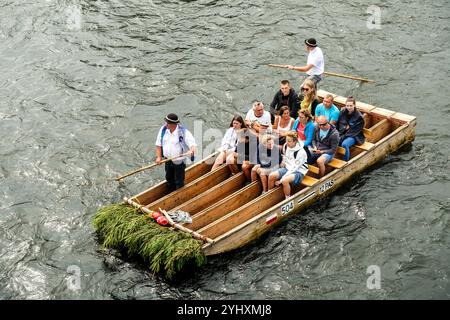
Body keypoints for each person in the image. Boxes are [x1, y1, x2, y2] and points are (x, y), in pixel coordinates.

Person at [155, 113, 196, 191]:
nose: (166, 124)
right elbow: (158, 144)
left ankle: (179, 195)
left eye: (168, 123)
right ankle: (171, 193)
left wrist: (191, 150)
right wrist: (159, 157)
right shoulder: (163, 129)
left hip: (179, 161)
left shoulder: (183, 132)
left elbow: (192, 145)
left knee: (179, 181)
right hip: (168, 160)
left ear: (173, 124)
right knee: (169, 178)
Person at [268, 132, 309, 199]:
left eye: (289, 141)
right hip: (287, 168)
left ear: (295, 141)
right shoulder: (286, 146)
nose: (287, 142)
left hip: (298, 171)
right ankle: (269, 196)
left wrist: (281, 180)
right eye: (286, 140)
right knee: (271, 176)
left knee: (284, 181)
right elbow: (284, 155)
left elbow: (295, 168)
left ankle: (287, 198)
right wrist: (283, 162)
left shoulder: (301, 152)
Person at [336, 96, 365, 161]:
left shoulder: (359, 117)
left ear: (354, 105)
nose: (349, 107)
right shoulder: (342, 112)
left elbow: (354, 131)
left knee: (344, 144)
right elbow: (338, 124)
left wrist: (342, 137)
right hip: (342, 133)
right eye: (347, 105)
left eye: (351, 106)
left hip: (355, 136)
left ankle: (345, 161)